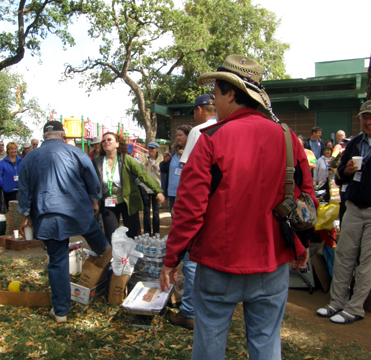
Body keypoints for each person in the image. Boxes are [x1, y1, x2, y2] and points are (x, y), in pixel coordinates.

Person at [159, 54, 316, 359]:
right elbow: (306, 198)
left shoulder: (210, 140)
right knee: (267, 344)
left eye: (216, 94)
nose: (213, 102)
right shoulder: (288, 138)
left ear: (231, 93)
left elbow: (190, 211)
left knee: (209, 346)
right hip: (271, 262)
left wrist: (171, 258)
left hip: (219, 264)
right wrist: (302, 243)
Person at [17, 121, 110, 323]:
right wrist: (94, 201)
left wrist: (25, 217)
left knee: (57, 261)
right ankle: (115, 284)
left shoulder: (30, 157)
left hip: (47, 215)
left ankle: (61, 312)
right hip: (78, 211)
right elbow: (92, 179)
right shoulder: (76, 152)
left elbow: (24, 190)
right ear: (63, 135)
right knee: (102, 246)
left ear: (43, 136)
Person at [317, 100, 371, 325]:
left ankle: (355, 308)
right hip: (354, 208)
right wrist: (346, 170)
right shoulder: (356, 143)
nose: (368, 121)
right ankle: (337, 302)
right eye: (364, 117)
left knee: (366, 263)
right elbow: (338, 175)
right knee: (343, 256)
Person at [168, 95, 217, 330]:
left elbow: (188, 174)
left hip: (198, 204)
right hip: (217, 206)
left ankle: (188, 310)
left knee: (191, 258)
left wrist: (180, 208)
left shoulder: (199, 131)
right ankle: (201, 305)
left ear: (199, 110)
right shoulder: (225, 127)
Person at [92, 132, 165, 242]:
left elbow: (143, 175)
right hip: (108, 203)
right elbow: (92, 183)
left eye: (109, 140)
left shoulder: (126, 159)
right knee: (111, 237)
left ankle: (133, 258)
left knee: (132, 235)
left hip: (128, 202)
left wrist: (157, 191)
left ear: (117, 144)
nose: (105, 142)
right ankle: (113, 258)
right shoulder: (97, 162)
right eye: (103, 140)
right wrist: (95, 203)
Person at [160, 125, 192, 215]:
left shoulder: (194, 151)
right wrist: (165, 162)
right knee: (174, 217)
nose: (177, 138)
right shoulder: (173, 152)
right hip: (173, 193)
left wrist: (187, 156)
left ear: (188, 136)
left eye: (180, 135)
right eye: (177, 135)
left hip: (187, 193)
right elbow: (164, 170)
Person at [138, 141, 162, 236]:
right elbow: (139, 172)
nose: (150, 150)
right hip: (145, 188)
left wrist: (157, 169)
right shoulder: (143, 158)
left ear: (157, 149)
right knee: (146, 211)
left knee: (156, 211)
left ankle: (156, 232)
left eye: (152, 148)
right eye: (149, 148)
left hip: (156, 189)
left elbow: (162, 174)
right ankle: (147, 232)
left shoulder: (161, 159)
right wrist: (146, 165)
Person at [0, 142, 22, 210]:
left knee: (21, 209)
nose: (13, 150)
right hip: (8, 189)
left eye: (15, 148)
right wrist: (3, 185)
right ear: (8, 150)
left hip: (21, 189)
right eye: (11, 149)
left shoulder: (22, 161)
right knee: (10, 209)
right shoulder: (3, 162)